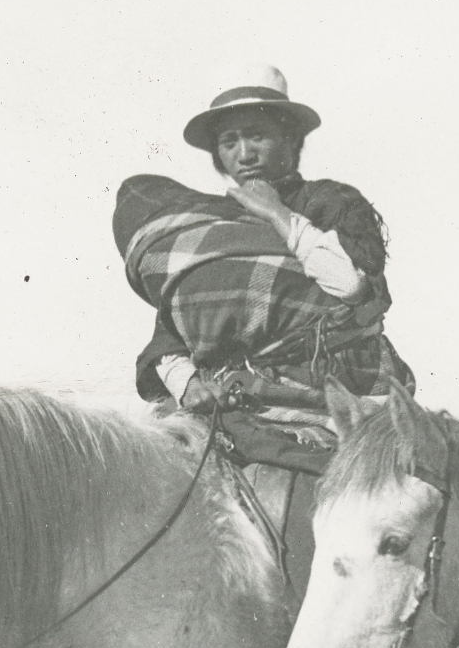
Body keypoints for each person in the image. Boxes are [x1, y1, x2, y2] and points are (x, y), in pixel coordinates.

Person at [131, 70, 410, 409]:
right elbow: (172, 328)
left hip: (335, 390)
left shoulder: (331, 202)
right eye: (229, 142)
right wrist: (186, 384)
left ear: (290, 138)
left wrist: (278, 214)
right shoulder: (210, 225)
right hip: (231, 399)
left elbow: (351, 287)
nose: (244, 154)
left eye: (257, 135)